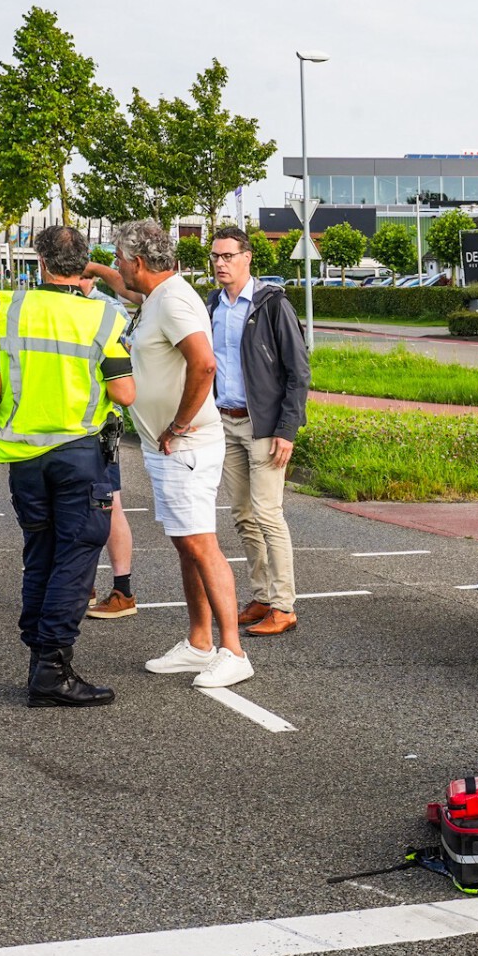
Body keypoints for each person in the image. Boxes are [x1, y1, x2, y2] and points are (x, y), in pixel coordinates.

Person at [0, 225, 133, 706]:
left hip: (26, 461)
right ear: (84, 265)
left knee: (41, 554)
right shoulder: (102, 318)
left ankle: (39, 661)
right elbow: (124, 392)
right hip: (80, 455)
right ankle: (53, 669)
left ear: (40, 263)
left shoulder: (12, 309)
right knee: (76, 556)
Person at [115, 219, 253, 689]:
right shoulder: (158, 295)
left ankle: (233, 650)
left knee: (200, 542)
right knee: (185, 543)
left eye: (118, 260)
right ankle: (199, 643)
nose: (118, 269)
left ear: (137, 262)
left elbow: (205, 361)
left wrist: (177, 423)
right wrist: (92, 266)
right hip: (168, 447)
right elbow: (124, 288)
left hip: (186, 445)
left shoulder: (172, 300)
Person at [206, 225, 310, 638]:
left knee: (268, 514)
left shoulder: (271, 304)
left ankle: (284, 606)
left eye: (228, 256)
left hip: (263, 426)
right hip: (224, 421)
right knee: (243, 516)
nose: (219, 263)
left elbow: (298, 372)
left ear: (248, 258)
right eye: (215, 256)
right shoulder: (214, 303)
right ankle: (262, 595)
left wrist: (287, 429)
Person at [82, 260, 142, 620]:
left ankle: (122, 590)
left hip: (99, 423)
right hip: (75, 422)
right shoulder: (66, 306)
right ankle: (82, 583)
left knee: (108, 504)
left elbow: (123, 374)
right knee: (84, 505)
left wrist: (98, 267)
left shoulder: (108, 309)